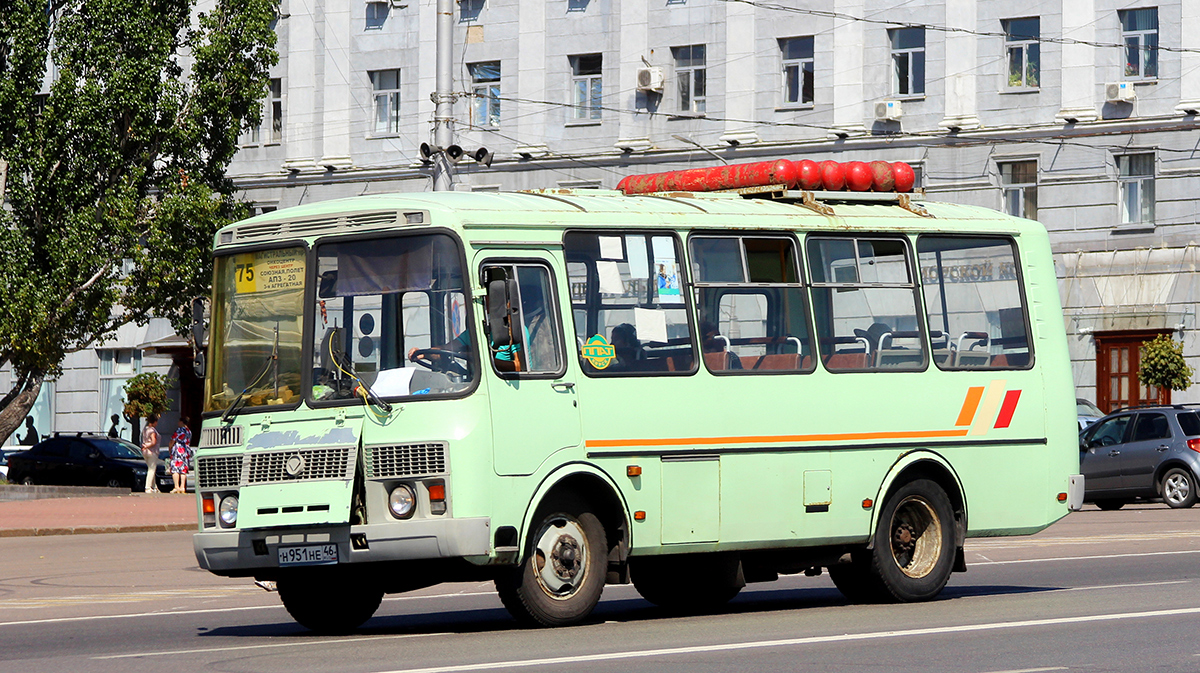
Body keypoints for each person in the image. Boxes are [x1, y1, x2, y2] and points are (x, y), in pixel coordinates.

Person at [168, 417, 192, 494]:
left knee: (175, 468)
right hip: (185, 451)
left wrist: (170, 448)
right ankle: (182, 487)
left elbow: (172, 440)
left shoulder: (179, 430)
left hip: (178, 450)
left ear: (181, 422)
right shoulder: (189, 431)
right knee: (183, 470)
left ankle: (176, 486)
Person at [140, 414, 160, 494]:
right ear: (154, 422)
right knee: (152, 469)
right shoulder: (152, 430)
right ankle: (148, 487)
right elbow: (153, 441)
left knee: (151, 469)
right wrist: (147, 445)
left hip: (145, 452)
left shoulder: (145, 429)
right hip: (152, 451)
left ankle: (154, 487)